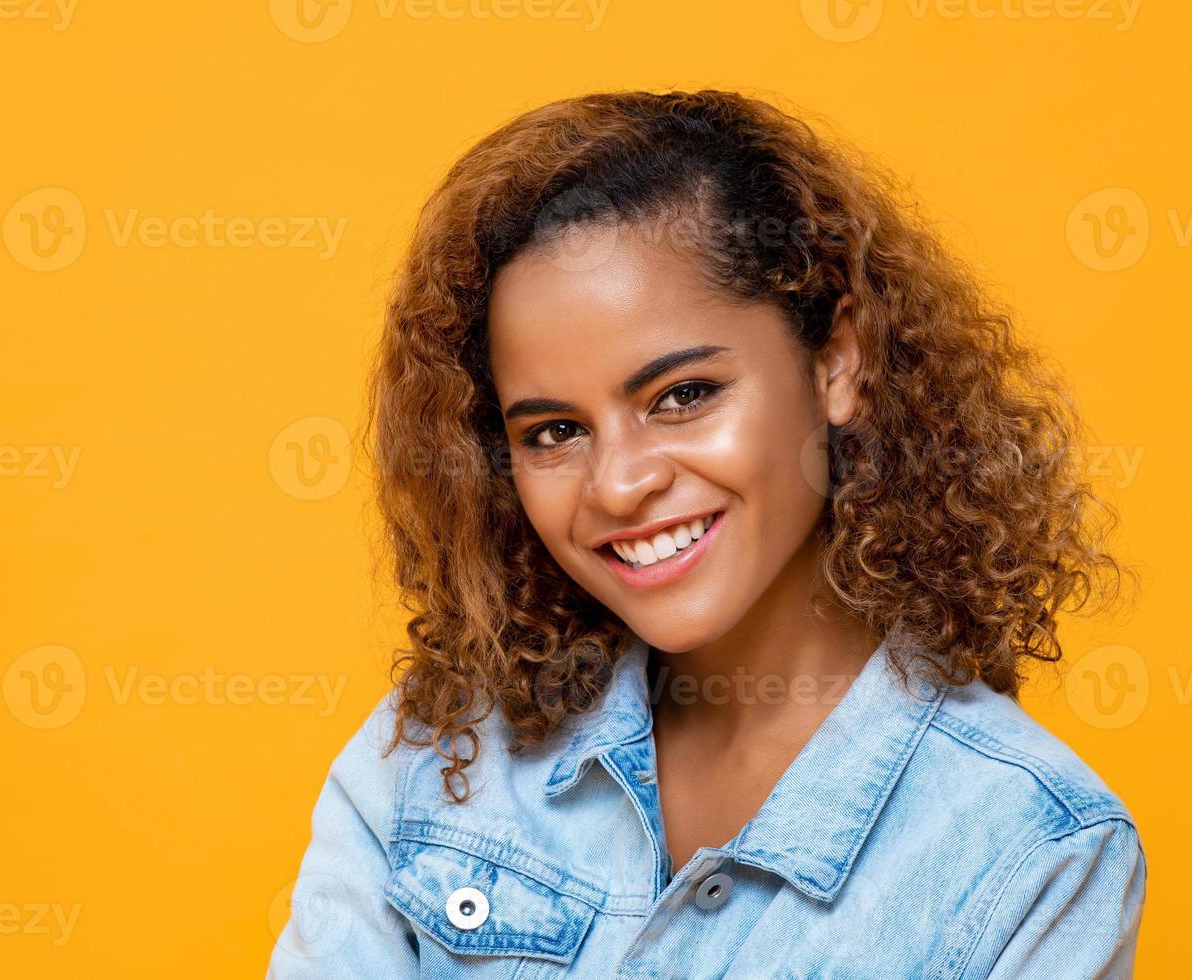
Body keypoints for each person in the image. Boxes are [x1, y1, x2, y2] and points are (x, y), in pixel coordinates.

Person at [268, 88, 1147, 978]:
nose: (618, 484)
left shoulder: (1032, 855)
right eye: (554, 432)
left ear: (837, 361)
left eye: (682, 396)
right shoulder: (437, 761)